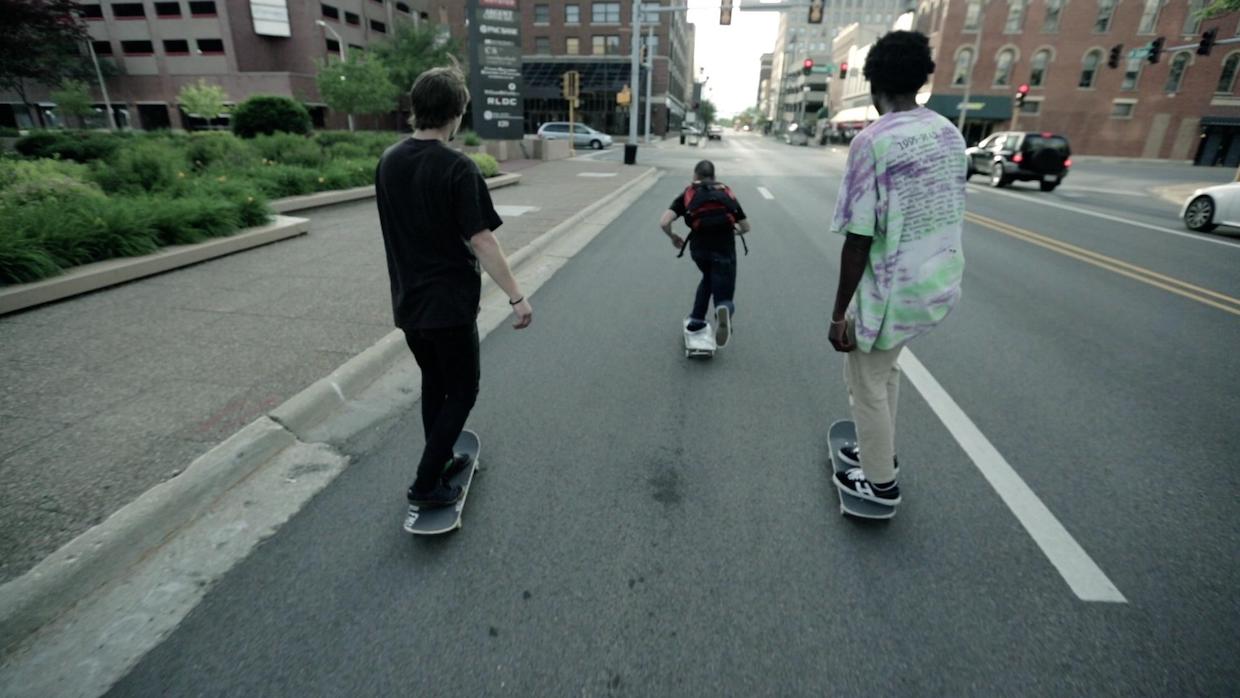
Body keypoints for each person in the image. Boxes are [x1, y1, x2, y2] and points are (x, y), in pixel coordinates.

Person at [375, 66, 534, 509]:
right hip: (449, 306)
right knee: (462, 390)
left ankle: (441, 460)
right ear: (457, 113)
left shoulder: (388, 160)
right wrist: (517, 297)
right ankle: (425, 484)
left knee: (434, 384)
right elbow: (481, 239)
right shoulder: (457, 167)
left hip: (408, 303)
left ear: (416, 108)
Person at [827, 31, 966, 507]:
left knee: (863, 382)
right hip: (934, 284)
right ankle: (875, 451)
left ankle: (880, 483)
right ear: (920, 78)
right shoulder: (949, 132)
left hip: (888, 292)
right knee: (886, 372)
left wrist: (838, 313)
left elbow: (859, 238)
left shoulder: (872, 142)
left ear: (873, 83)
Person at [659, 160, 751, 349]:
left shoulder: (688, 193)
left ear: (695, 175)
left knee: (708, 277)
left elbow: (664, 222)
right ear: (714, 176)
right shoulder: (726, 193)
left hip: (699, 249)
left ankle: (697, 320)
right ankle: (723, 308)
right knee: (723, 292)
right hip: (724, 249)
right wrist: (733, 231)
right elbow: (746, 227)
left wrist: (673, 236)